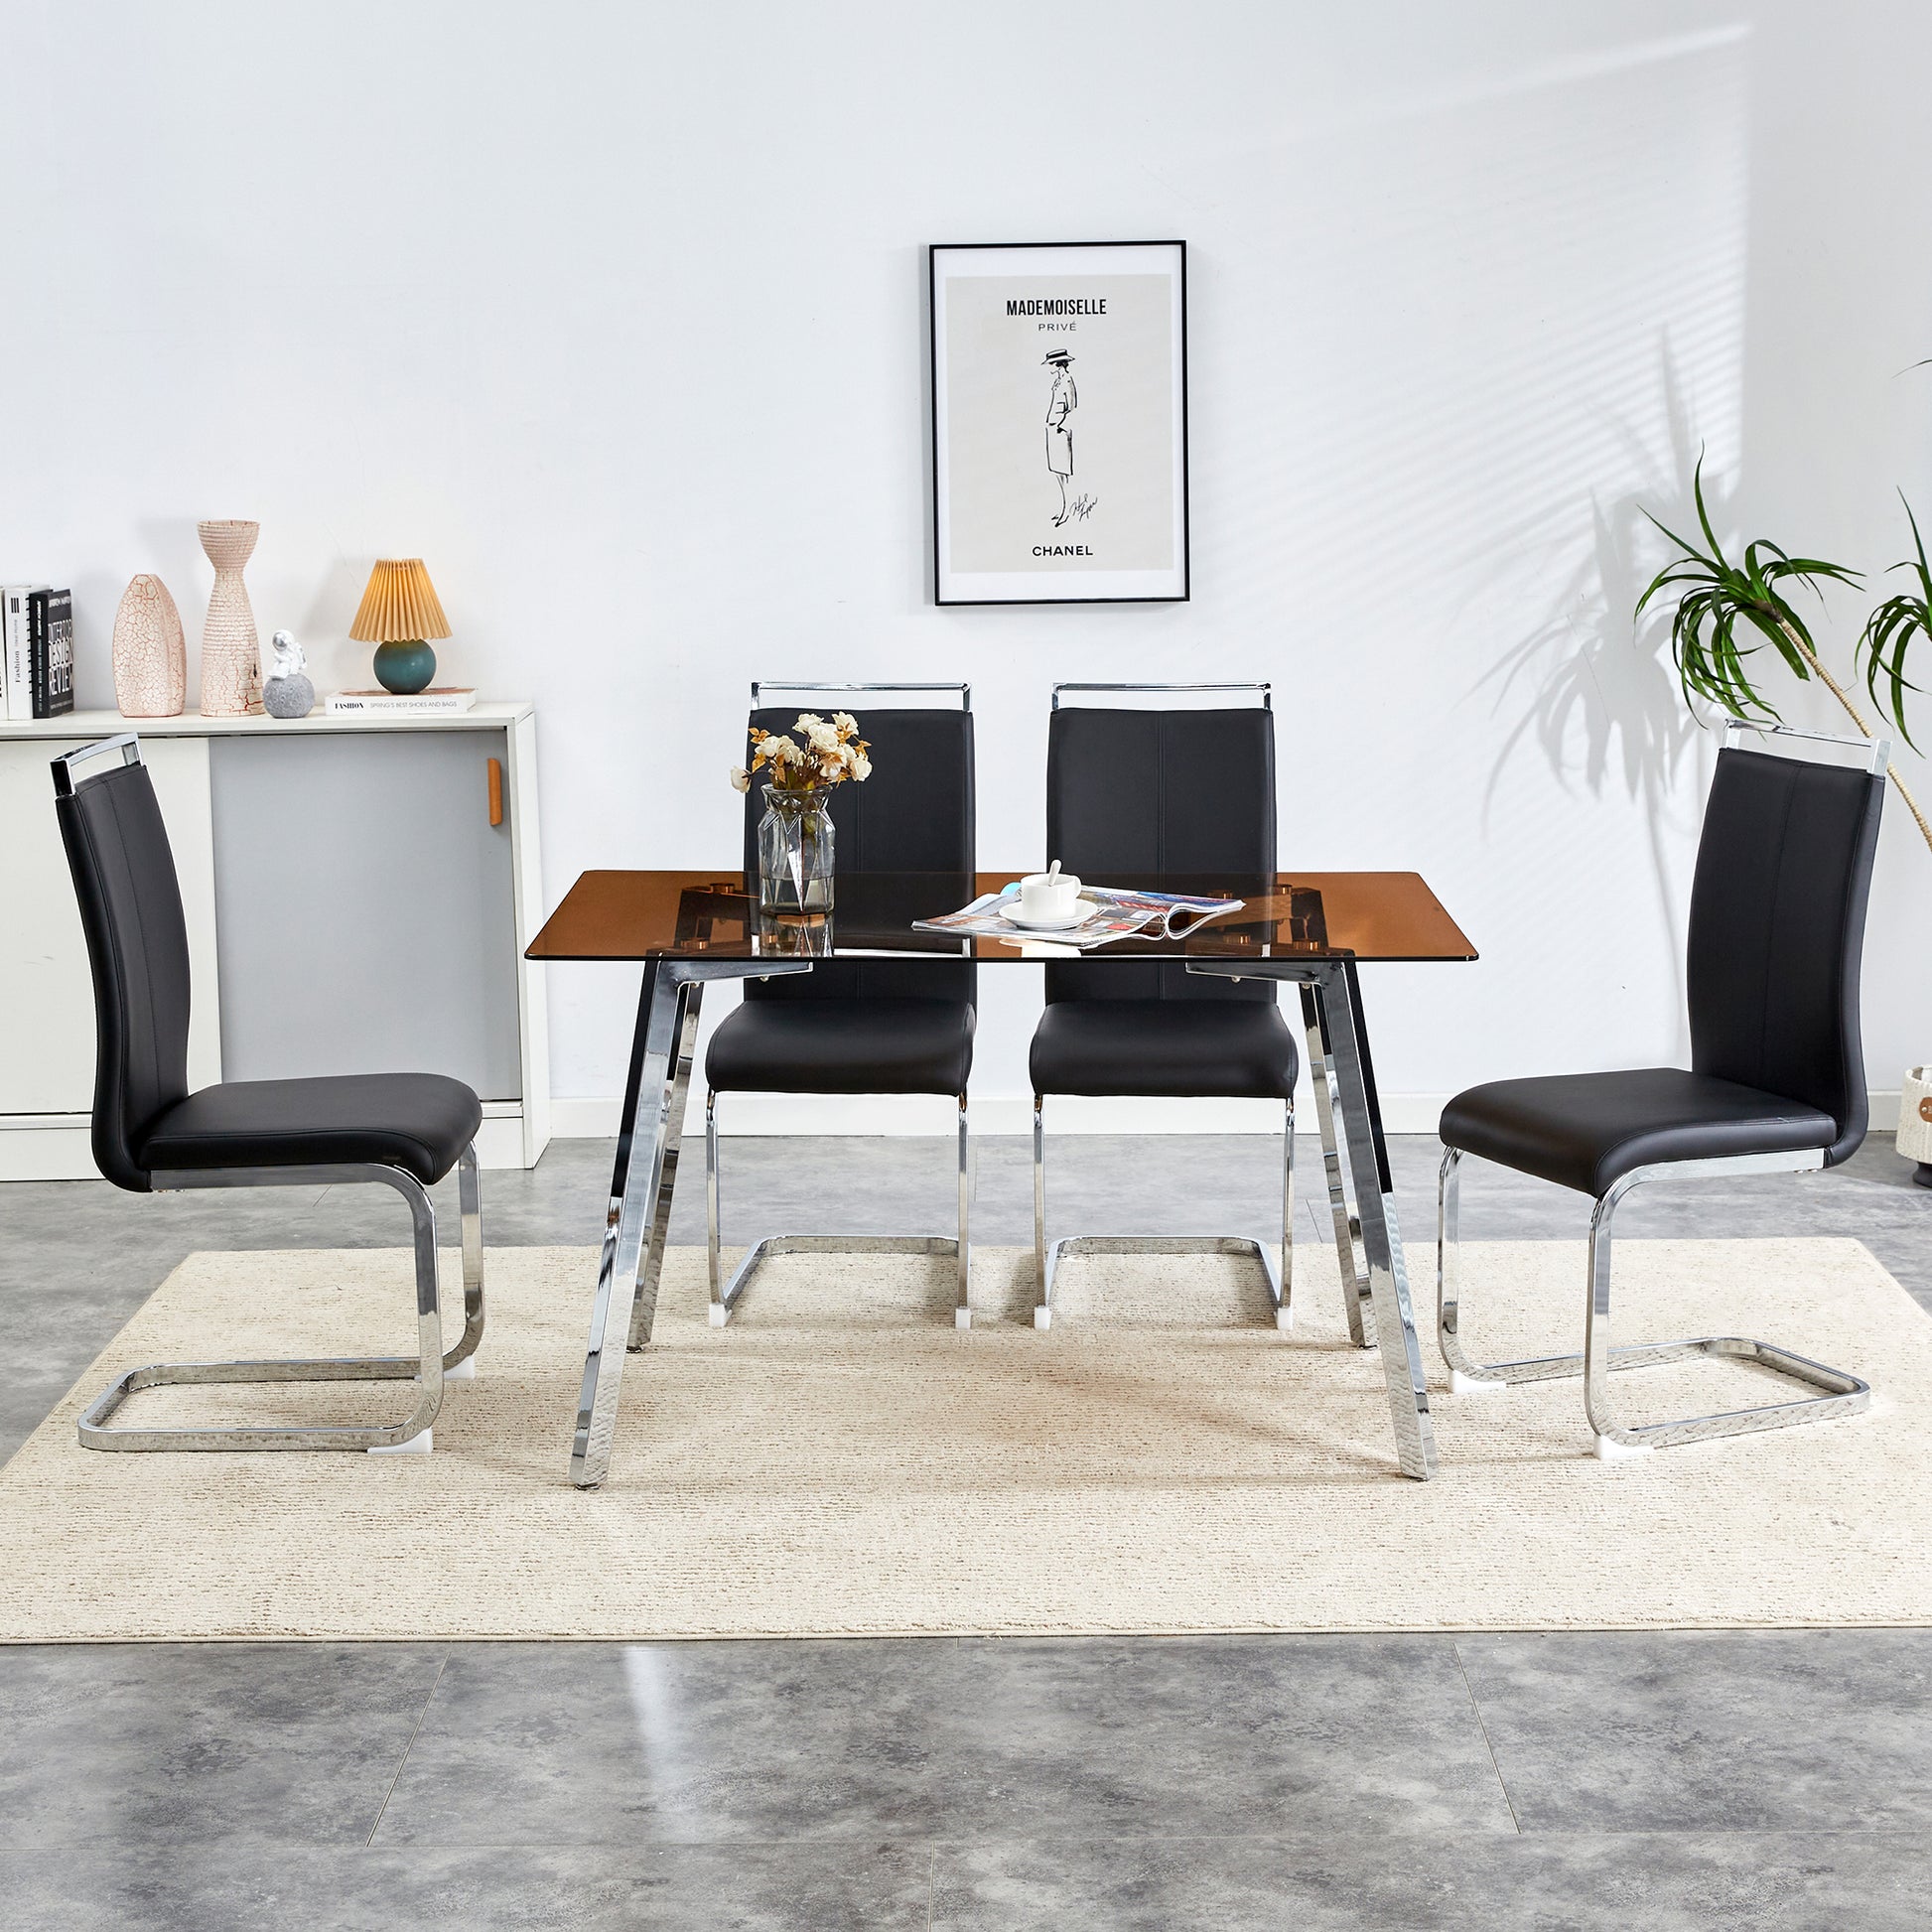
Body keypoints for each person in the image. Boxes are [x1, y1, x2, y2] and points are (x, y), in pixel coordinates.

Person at [1043, 348, 1076, 525]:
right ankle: (1064, 508)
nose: (1048, 367)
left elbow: (1071, 406)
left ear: (1057, 364)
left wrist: (1058, 424)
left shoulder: (1067, 380)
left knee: (1063, 471)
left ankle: (1067, 510)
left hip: (1060, 429)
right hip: (1052, 428)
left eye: (1050, 364)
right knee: (1057, 470)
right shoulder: (1058, 381)